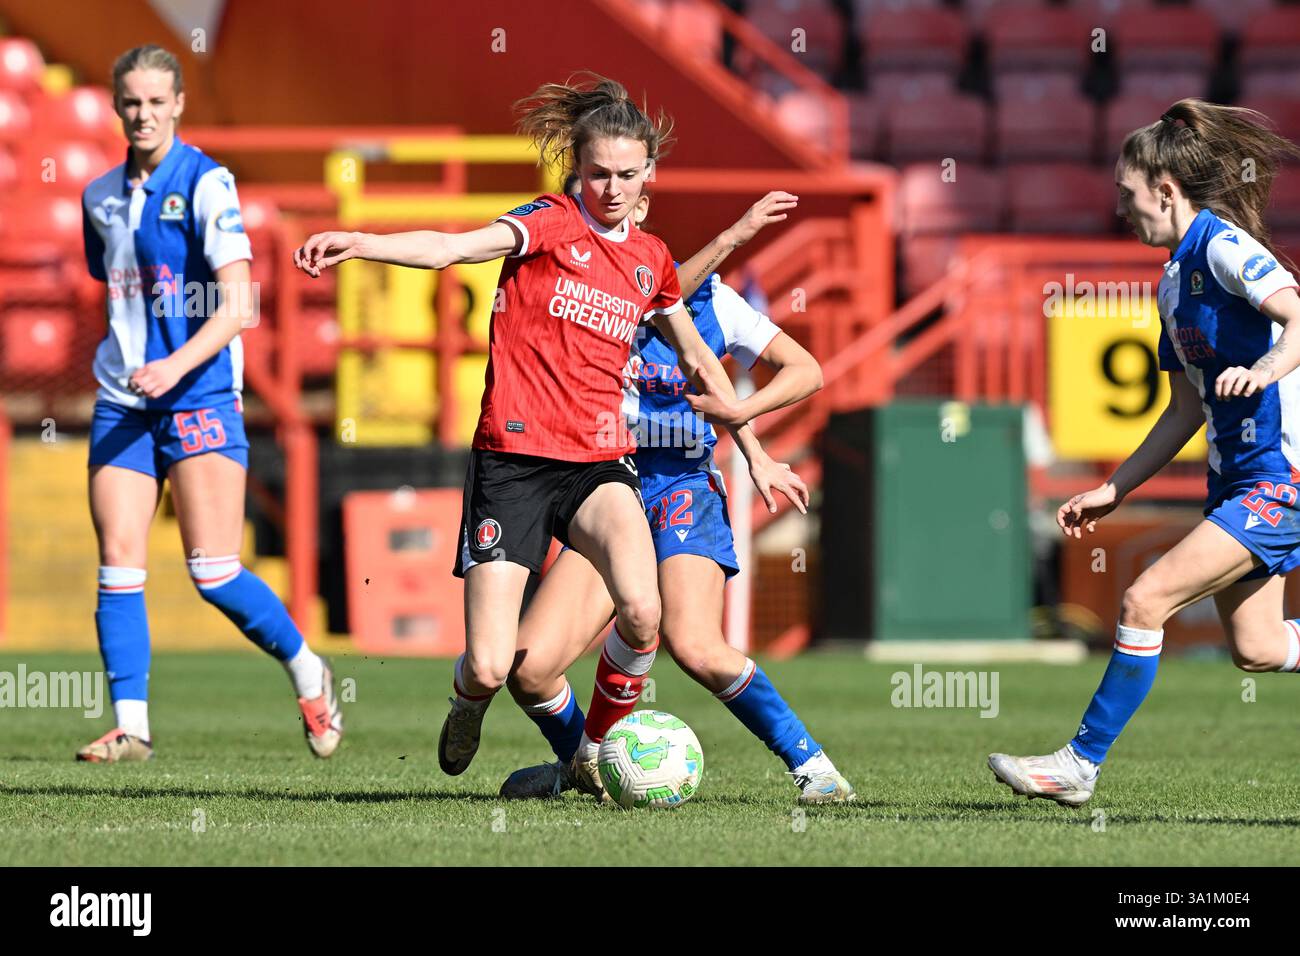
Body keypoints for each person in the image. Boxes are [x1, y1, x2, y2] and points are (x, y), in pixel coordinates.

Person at [295, 74, 761, 788]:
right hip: (512, 462)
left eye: (627, 175)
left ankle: (594, 756)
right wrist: (361, 241)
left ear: (649, 174)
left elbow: (696, 350)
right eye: (599, 173)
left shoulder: (651, 259)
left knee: (643, 611)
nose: (611, 188)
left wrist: (747, 437)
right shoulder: (548, 221)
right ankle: (466, 702)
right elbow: (453, 250)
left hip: (599, 464)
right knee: (489, 663)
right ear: (577, 168)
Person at [498, 188, 855, 803]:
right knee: (528, 670)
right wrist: (733, 236)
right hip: (604, 487)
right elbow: (663, 287)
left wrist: (745, 420)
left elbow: (808, 371)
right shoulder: (602, 293)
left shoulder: (722, 307)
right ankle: (587, 764)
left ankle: (815, 769)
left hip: (683, 486)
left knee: (696, 646)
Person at [990, 99, 1300, 806]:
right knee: (1257, 648)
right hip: (1235, 483)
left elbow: (1297, 315)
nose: (1122, 209)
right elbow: (1184, 409)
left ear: (1165, 189)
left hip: (1282, 478)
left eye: (1128, 196)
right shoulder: (1169, 284)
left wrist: (1266, 370)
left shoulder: (1222, 247)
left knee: (1143, 597)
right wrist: (1116, 488)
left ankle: (1078, 764)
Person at [79, 45, 342, 763]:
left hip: (196, 393)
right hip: (122, 400)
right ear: (116, 106)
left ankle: (307, 670)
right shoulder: (98, 196)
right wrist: (139, 366)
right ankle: (132, 726)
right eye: (132, 102)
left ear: (179, 104)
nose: (144, 114)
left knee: (212, 571)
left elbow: (240, 303)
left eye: (157, 101)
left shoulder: (206, 183)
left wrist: (175, 364)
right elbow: (117, 288)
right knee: (119, 558)